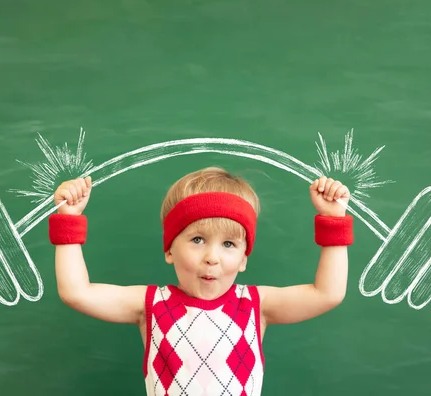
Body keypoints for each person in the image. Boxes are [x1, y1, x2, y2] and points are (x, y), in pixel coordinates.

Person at [49, 167, 353, 396]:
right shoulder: (150, 305)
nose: (212, 257)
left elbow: (328, 293)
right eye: (197, 239)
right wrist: (69, 218)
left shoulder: (256, 306)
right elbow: (77, 292)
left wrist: (334, 218)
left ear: (245, 257)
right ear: (169, 248)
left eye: (229, 245)